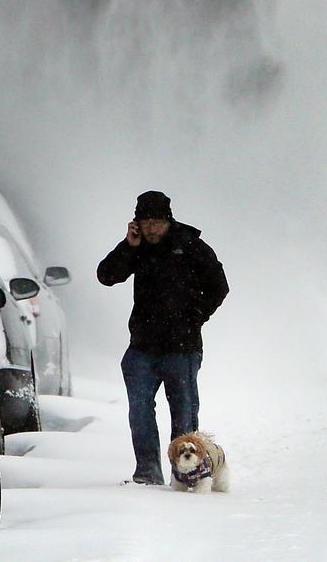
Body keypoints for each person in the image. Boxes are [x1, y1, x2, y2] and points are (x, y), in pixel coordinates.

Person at [97, 191, 229, 485]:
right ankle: (147, 474)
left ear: (168, 220)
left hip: (182, 349)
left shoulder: (191, 245)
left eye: (157, 222)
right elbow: (106, 276)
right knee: (140, 411)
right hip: (142, 347)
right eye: (146, 223)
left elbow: (220, 286)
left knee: (184, 414)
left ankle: (185, 477)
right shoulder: (137, 247)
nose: (152, 229)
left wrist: (195, 317)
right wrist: (128, 247)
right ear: (136, 224)